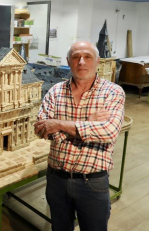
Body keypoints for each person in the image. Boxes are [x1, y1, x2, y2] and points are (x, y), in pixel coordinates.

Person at [34, 41, 125, 231]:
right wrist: (89, 124)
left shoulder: (113, 92)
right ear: (68, 61)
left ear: (97, 61)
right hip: (56, 179)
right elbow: (41, 129)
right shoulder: (55, 92)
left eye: (87, 57)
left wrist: (59, 124)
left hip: (92, 182)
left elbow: (108, 132)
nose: (81, 62)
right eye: (76, 57)